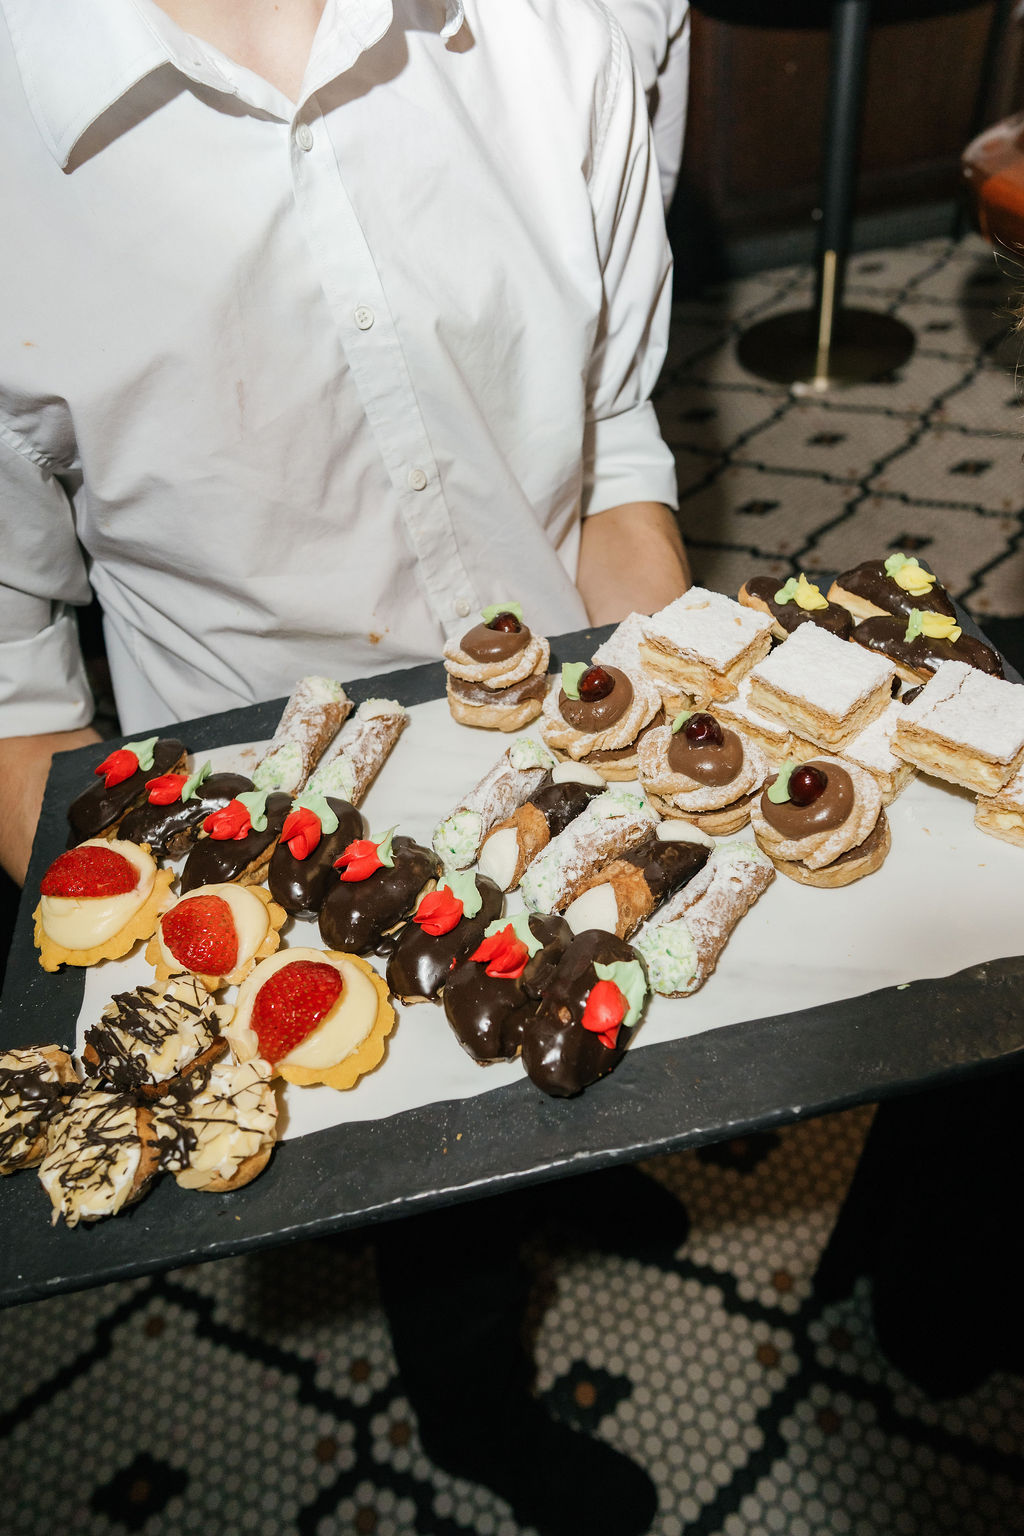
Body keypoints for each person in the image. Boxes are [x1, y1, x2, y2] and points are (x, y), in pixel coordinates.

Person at [0, 3, 691, 1532]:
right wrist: (178, 951)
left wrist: (648, 745)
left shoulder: (578, 27)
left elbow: (610, 429)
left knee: (586, 1022)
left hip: (552, 734)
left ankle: (584, 1164)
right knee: (435, 1203)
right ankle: (471, 1408)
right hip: (271, 835)